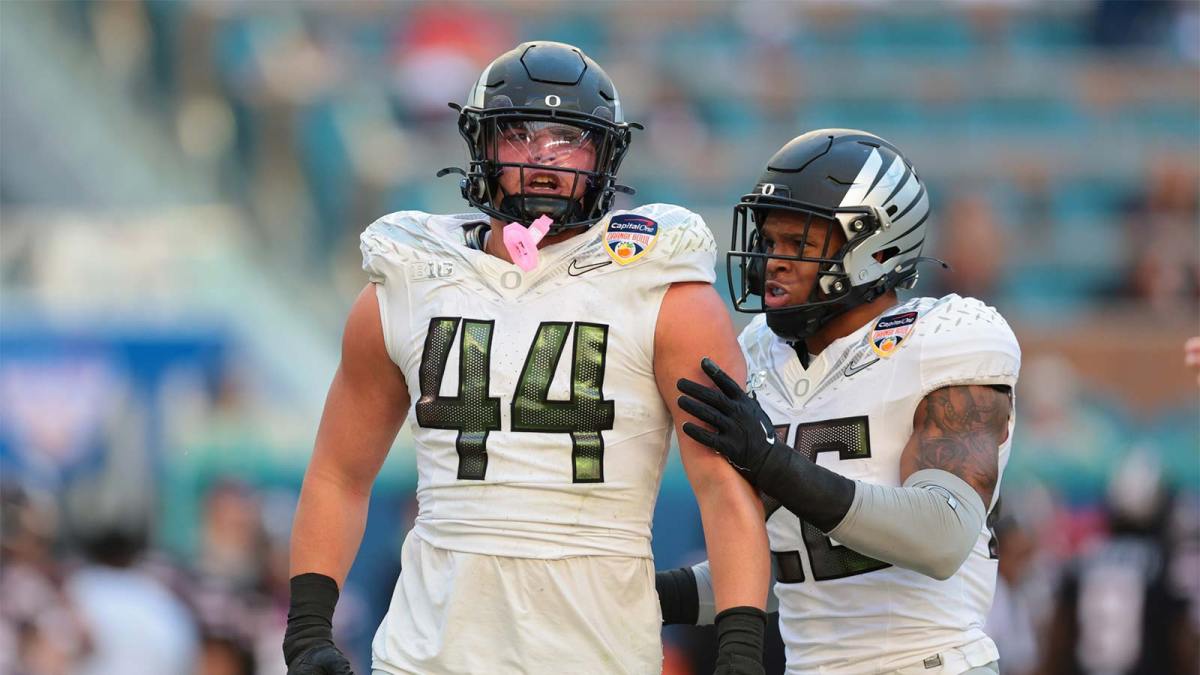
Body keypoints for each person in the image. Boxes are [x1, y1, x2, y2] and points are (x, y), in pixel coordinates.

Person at [283, 41, 769, 675]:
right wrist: (308, 632)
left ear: (606, 154)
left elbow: (725, 489)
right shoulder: (409, 278)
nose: (543, 160)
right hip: (429, 649)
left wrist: (741, 652)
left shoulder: (664, 288)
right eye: (518, 135)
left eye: (568, 139)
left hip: (598, 650)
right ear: (480, 144)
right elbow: (338, 475)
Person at [655, 129, 1022, 674]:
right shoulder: (758, 352)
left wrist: (771, 462)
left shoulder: (944, 336)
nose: (773, 262)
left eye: (798, 244)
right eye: (770, 240)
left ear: (875, 247)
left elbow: (940, 535)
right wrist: (631, 591)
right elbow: (791, 568)